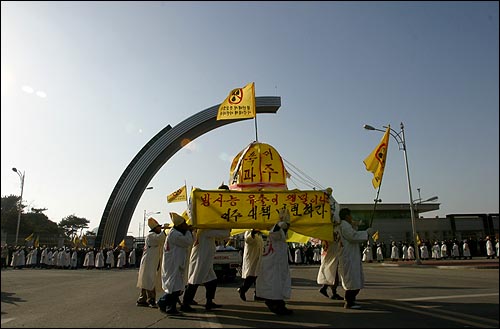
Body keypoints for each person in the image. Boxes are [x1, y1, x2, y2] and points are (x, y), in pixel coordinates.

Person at [181, 183, 231, 312]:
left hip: (206, 255)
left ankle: (209, 302)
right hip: (201, 255)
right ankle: (185, 303)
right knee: (195, 278)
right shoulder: (205, 228)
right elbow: (224, 235)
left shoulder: (207, 225)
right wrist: (230, 225)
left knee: (211, 280)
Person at [256, 208, 293, 315]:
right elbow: (274, 233)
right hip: (273, 262)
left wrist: (285, 224)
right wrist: (280, 224)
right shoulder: (272, 230)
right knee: (273, 284)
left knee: (279, 283)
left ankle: (280, 304)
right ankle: (274, 304)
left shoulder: (279, 230)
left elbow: (283, 232)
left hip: (279, 261)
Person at [337, 208, 375, 309]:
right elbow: (352, 236)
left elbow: (353, 233)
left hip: (350, 256)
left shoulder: (346, 225)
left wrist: (357, 227)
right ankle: (349, 302)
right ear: (347, 216)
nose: (352, 218)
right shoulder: (344, 225)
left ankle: (351, 300)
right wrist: (366, 233)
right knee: (352, 280)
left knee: (354, 279)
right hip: (348, 257)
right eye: (350, 215)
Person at [158, 212, 194, 315]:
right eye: (184, 224)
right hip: (173, 265)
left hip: (176, 264)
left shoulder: (176, 232)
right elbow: (188, 242)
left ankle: (170, 307)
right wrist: (188, 231)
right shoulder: (174, 234)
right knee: (174, 287)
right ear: (179, 225)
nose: (186, 226)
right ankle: (163, 303)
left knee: (176, 287)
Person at [136, 217, 168, 308]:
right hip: (149, 261)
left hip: (152, 261)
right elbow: (160, 239)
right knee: (149, 280)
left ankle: (142, 299)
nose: (160, 228)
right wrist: (164, 231)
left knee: (146, 280)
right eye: (159, 227)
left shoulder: (154, 235)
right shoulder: (151, 236)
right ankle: (151, 300)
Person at [238, 229, 264, 301]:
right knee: (252, 276)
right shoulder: (248, 232)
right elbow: (248, 240)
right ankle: (242, 289)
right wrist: (253, 232)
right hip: (252, 258)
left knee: (258, 277)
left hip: (258, 258)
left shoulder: (259, 235)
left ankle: (257, 294)